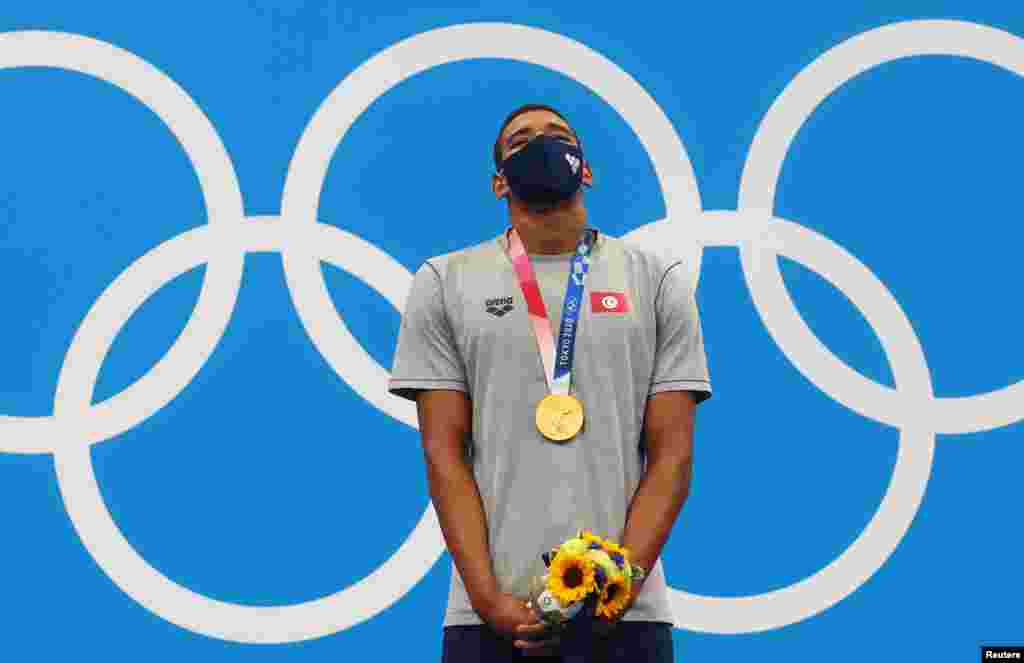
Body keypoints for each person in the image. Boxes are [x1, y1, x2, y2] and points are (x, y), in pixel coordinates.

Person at [388, 103, 712, 662]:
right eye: (520, 141)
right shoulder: (444, 282)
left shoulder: (657, 281)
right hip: (487, 619)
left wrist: (618, 589)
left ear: (585, 169)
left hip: (628, 616)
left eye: (558, 135)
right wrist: (490, 600)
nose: (540, 142)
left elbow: (672, 456)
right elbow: (445, 456)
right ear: (498, 182)